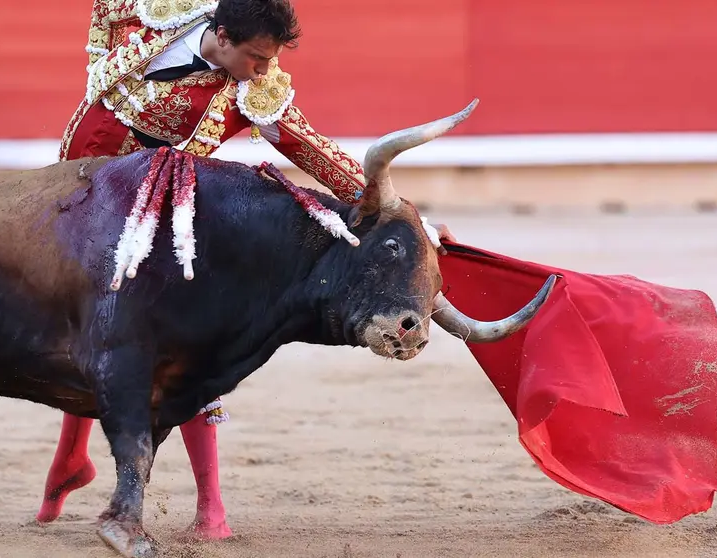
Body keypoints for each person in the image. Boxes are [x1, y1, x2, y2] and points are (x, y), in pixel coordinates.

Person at [37, 0, 454, 540]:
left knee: (178, 341)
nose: (264, 70)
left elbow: (318, 154)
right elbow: (104, 21)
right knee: (83, 323)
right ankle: (71, 457)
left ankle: (212, 509)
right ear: (222, 35)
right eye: (256, 57)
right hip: (68, 195)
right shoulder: (156, 12)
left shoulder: (255, 91)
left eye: (268, 61)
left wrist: (396, 215)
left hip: (147, 220)